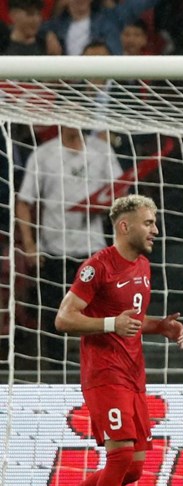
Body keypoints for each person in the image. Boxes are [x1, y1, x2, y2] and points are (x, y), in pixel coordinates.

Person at [36, 194, 183, 486]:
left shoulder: (144, 267)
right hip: (104, 373)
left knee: (133, 467)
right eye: (148, 222)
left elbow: (130, 323)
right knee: (119, 457)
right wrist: (109, 324)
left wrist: (160, 327)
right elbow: (63, 319)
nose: (155, 229)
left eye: (154, 222)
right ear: (125, 226)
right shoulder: (96, 267)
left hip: (134, 375)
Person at [15, 126, 124, 369]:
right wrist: (30, 245)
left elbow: (120, 193)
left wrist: (106, 206)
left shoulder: (102, 151)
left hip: (93, 247)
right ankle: (55, 370)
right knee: (56, 315)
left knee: (101, 313)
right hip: (54, 248)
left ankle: (103, 366)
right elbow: (23, 203)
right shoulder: (43, 154)